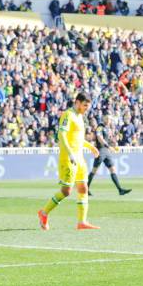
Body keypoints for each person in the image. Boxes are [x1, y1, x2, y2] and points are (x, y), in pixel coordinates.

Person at [37, 93, 100, 231]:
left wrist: (90, 146)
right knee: (66, 191)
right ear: (77, 102)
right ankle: (44, 212)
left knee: (83, 188)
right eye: (84, 105)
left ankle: (81, 222)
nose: (86, 109)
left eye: (87, 106)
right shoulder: (68, 115)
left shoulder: (80, 117)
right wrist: (70, 153)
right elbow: (62, 135)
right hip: (69, 158)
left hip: (80, 158)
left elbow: (77, 138)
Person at [87, 115, 131, 196]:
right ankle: (85, 189)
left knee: (113, 169)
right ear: (104, 119)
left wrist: (114, 143)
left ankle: (120, 190)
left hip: (106, 151)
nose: (108, 120)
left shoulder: (108, 128)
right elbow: (99, 138)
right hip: (100, 151)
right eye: (107, 119)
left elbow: (109, 139)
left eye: (110, 119)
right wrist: (108, 146)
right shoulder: (100, 127)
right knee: (94, 171)